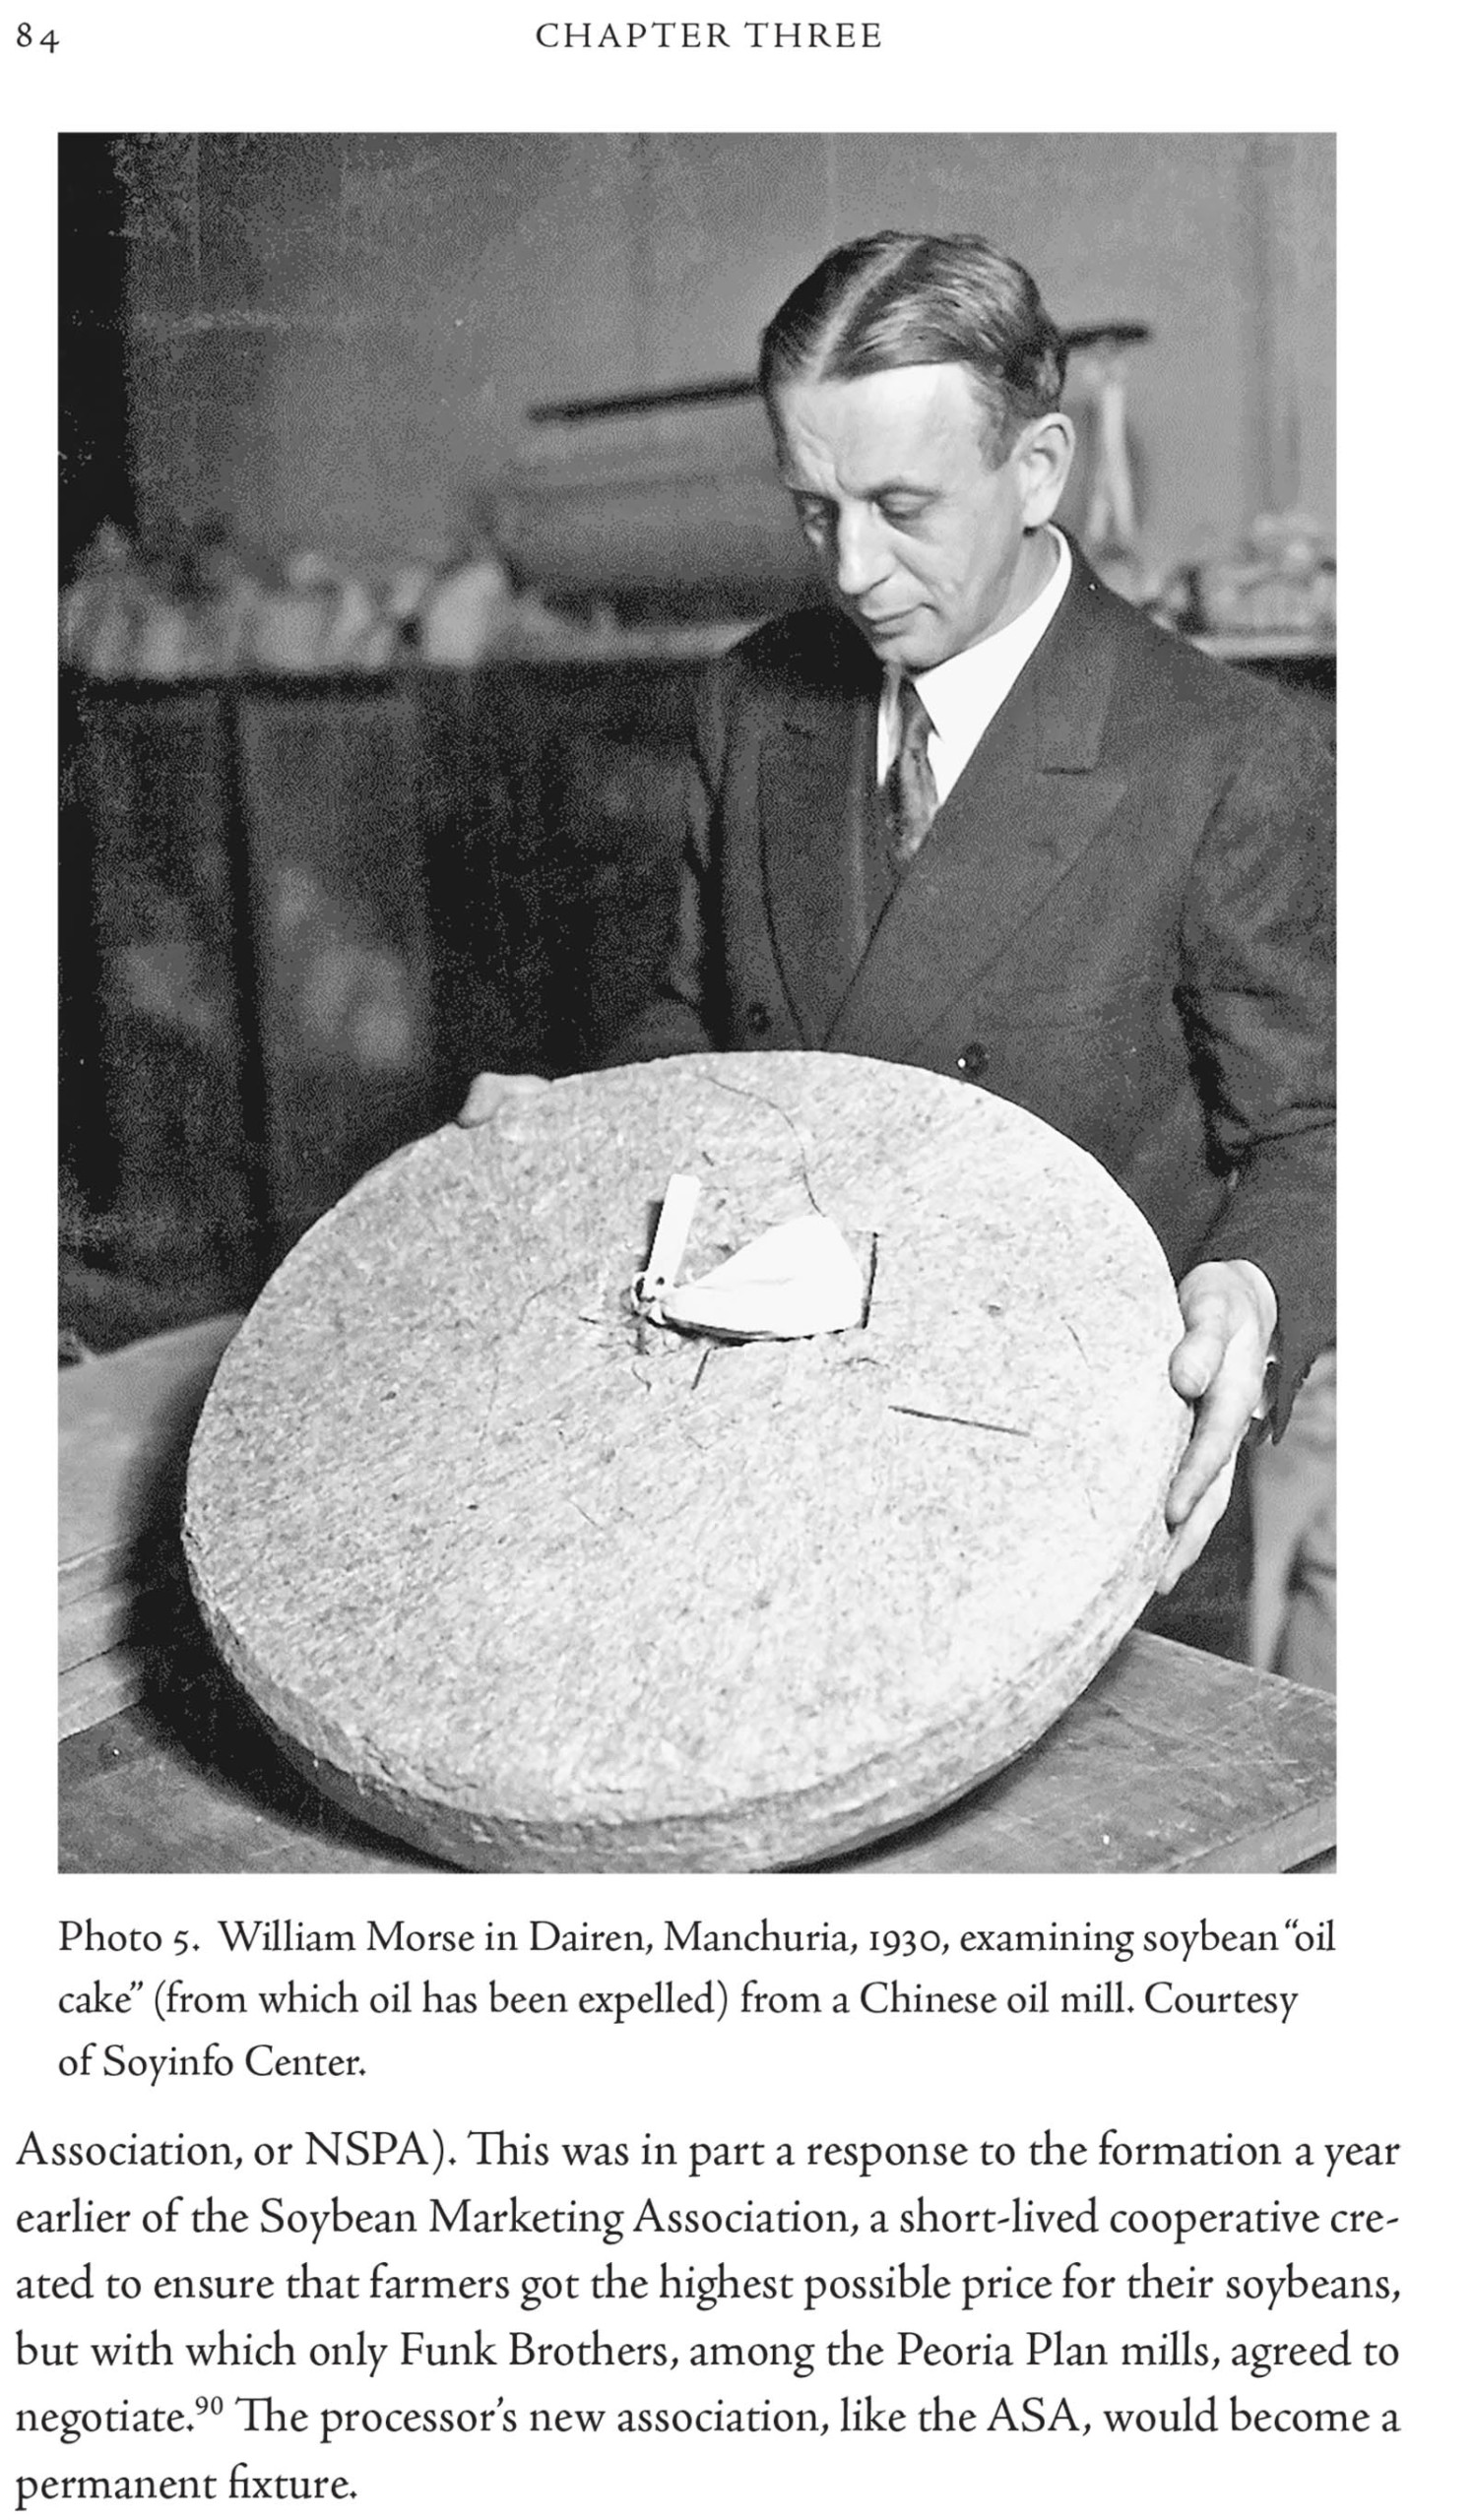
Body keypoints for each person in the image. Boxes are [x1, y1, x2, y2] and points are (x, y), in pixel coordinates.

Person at [462, 231, 1334, 1660]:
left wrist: (1247, 1289)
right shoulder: (753, 703)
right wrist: (585, 1128)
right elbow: (700, 1011)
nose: (854, 570)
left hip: (1075, 1477)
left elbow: (1314, 1131)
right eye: (814, 511)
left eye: (901, 507)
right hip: (773, 1450)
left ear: (1037, 467)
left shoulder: (1224, 752)